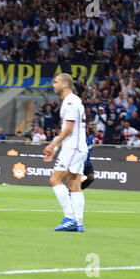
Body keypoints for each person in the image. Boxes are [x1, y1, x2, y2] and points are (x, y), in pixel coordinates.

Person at [43, 73, 88, 232]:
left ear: (65, 85)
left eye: (55, 82)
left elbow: (68, 129)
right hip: (79, 147)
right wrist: (56, 148)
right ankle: (79, 222)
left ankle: (69, 218)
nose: (53, 85)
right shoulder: (74, 101)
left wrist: (52, 145)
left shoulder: (69, 102)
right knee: (74, 183)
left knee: (55, 180)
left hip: (73, 147)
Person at [81, 120, 96, 189]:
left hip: (87, 161)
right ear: (87, 126)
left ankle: (76, 190)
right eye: (91, 125)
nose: (94, 126)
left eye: (94, 125)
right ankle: (73, 192)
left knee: (91, 178)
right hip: (80, 161)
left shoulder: (93, 135)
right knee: (76, 179)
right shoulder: (83, 136)